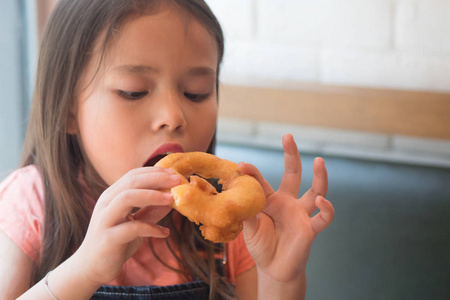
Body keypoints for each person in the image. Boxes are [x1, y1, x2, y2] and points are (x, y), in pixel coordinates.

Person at [0, 0, 335, 299]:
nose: (173, 117)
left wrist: (281, 279)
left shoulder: (232, 225)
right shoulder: (31, 203)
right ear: (68, 110)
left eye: (196, 92)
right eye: (134, 92)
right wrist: (84, 270)